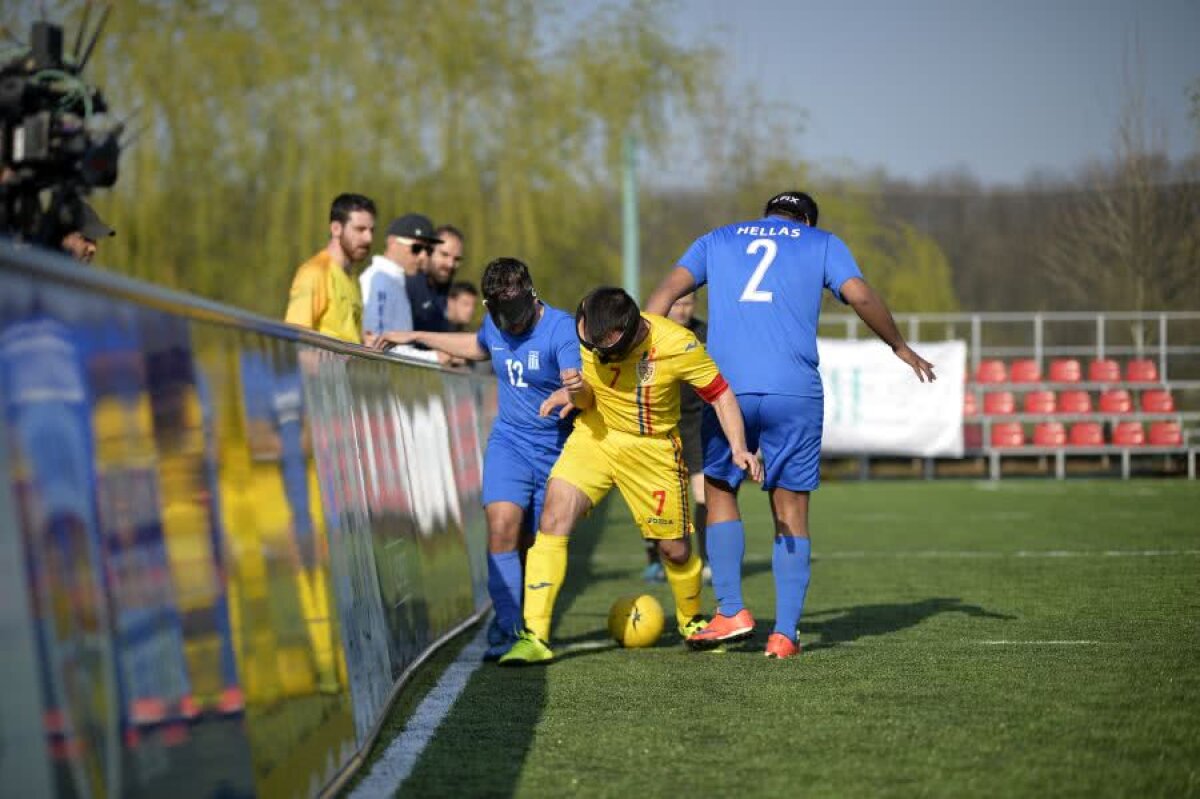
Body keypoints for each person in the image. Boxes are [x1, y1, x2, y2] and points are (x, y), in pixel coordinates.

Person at [645, 190, 935, 659]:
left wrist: (648, 360)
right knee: (792, 511)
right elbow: (859, 294)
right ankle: (784, 633)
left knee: (719, 489)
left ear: (768, 215)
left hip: (725, 391)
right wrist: (899, 346)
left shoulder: (718, 239)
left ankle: (732, 611)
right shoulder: (820, 242)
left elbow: (661, 297)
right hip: (793, 393)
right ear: (805, 220)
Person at [499, 287, 762, 666]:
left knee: (675, 550)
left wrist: (738, 447)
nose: (592, 350)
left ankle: (691, 620)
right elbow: (590, 398)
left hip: (653, 451)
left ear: (626, 334)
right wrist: (574, 394)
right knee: (553, 520)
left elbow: (720, 394)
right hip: (596, 437)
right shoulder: (587, 338)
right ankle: (534, 635)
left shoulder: (677, 344)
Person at [372, 258, 581, 661]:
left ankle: (532, 625)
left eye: (517, 317)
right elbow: (477, 346)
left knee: (536, 545)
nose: (512, 326)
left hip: (558, 449)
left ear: (532, 296)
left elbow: (579, 384)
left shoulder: (561, 330)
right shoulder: (495, 323)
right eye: (502, 318)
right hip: (510, 444)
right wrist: (414, 335)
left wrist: (572, 393)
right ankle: (505, 628)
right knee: (502, 525)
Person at [285, 193, 375, 345]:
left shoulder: (352, 277)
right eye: (360, 229)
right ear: (336, 229)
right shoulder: (314, 273)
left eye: (371, 230)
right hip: (322, 369)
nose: (368, 238)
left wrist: (366, 342)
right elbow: (295, 337)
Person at [360, 213, 443, 342]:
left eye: (428, 250)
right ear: (392, 242)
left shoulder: (395, 281)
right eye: (417, 248)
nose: (423, 256)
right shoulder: (379, 280)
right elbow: (376, 346)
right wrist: (436, 358)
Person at [409, 224, 464, 332]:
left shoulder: (449, 291)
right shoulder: (408, 285)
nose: (450, 264)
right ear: (429, 251)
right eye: (444, 254)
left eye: (457, 259)